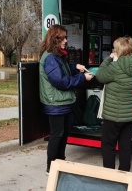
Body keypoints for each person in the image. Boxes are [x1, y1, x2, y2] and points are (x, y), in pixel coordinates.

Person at [39, 24, 94, 175]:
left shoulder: (56, 55)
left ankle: (60, 163)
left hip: (61, 102)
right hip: (55, 102)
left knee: (63, 134)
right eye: (62, 38)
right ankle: (51, 168)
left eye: (66, 38)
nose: (65, 41)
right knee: (57, 135)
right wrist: (82, 78)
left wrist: (75, 67)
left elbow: (62, 69)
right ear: (54, 39)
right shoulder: (50, 57)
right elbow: (61, 81)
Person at [95, 36, 132, 171]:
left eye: (114, 49)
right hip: (130, 115)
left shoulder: (115, 67)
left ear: (119, 51)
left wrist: (109, 59)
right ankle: (124, 177)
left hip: (114, 116)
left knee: (108, 145)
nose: (113, 51)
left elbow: (100, 75)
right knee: (125, 146)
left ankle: (110, 177)